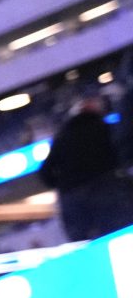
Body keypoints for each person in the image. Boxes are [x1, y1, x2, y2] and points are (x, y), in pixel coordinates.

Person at [45, 97, 127, 241]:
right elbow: (120, 152)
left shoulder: (62, 136)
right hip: (106, 188)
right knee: (118, 236)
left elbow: (45, 173)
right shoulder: (103, 127)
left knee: (83, 243)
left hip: (72, 197)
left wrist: (64, 185)